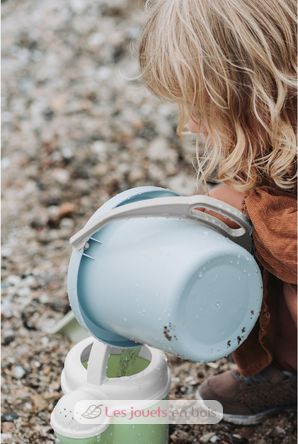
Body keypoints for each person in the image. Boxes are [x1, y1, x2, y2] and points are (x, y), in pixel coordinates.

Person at [138, 0, 297, 424]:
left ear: (266, 93)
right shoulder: (275, 138)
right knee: (225, 221)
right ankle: (283, 370)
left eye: (207, 108)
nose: (192, 125)